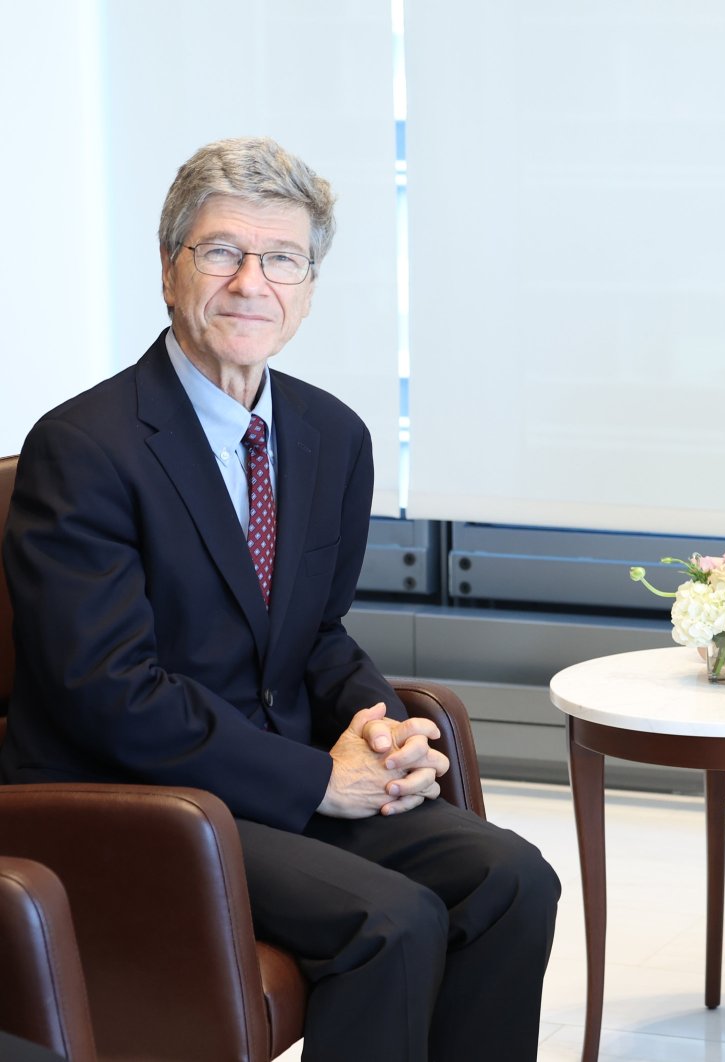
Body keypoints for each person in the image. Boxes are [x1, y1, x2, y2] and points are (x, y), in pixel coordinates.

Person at [0, 137, 560, 1062]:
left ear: (308, 283)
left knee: (512, 879)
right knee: (392, 920)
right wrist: (316, 780)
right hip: (139, 801)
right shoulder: (85, 447)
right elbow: (108, 691)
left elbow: (314, 636)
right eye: (222, 250)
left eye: (283, 258)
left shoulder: (328, 434)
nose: (251, 281)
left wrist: (383, 729)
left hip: (269, 786)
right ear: (171, 266)